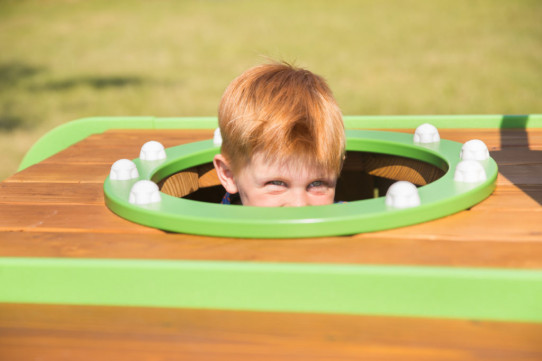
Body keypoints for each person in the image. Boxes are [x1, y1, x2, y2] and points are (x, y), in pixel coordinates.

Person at [213, 62, 345, 207]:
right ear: (229, 175)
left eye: (317, 184)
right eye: (277, 184)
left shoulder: (351, 222)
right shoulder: (206, 228)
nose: (299, 205)